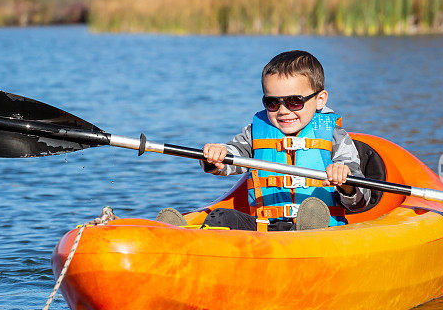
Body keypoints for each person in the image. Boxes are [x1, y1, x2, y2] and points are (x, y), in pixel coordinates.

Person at [157, 50, 370, 231]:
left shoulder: (334, 136)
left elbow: (361, 201)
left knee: (312, 214)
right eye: (272, 102)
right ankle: (179, 235)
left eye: (294, 102)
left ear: (320, 100)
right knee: (221, 217)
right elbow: (232, 158)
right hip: (264, 228)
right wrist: (215, 157)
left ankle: (307, 235)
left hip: (320, 230)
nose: (283, 111)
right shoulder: (255, 132)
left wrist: (347, 183)